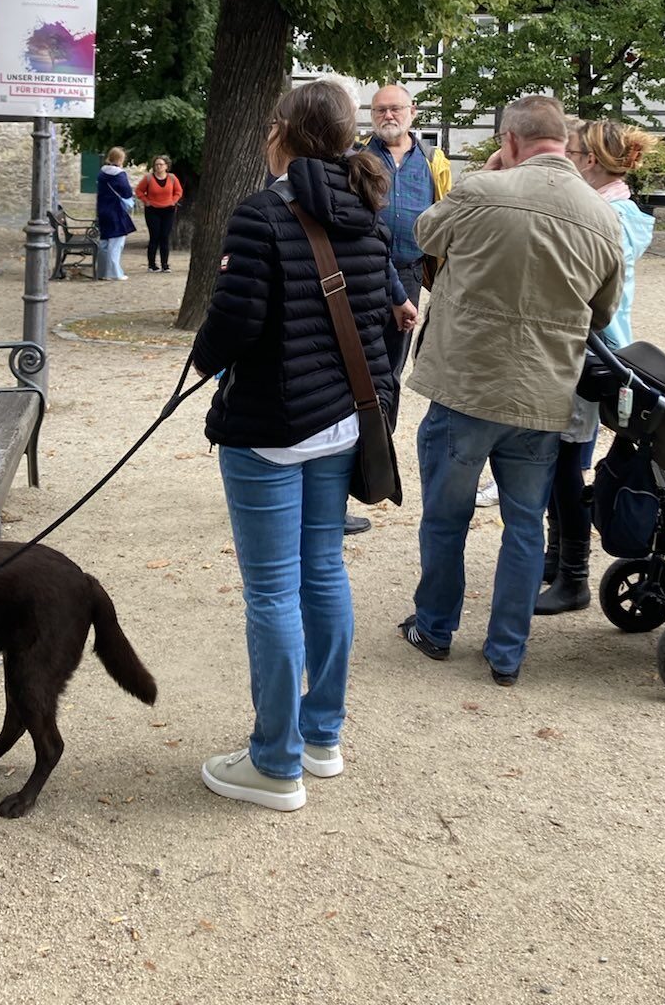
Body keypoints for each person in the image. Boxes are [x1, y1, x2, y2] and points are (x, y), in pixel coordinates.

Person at [192, 79, 394, 811]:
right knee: (323, 572)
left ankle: (276, 763)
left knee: (274, 590)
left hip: (273, 430)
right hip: (340, 420)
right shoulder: (365, 213)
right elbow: (370, 319)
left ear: (279, 131)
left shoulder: (260, 216)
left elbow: (235, 329)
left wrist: (206, 341)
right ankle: (321, 737)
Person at [398, 95, 623, 685]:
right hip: (543, 394)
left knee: (446, 516)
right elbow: (603, 312)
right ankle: (507, 652)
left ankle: (435, 626)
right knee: (525, 524)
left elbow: (424, 234)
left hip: (466, 385)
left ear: (511, 140)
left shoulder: (481, 192)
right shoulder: (602, 216)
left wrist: (490, 174)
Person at [534, 118, 656, 614]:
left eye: (573, 150)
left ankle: (574, 574)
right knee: (558, 458)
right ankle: (556, 553)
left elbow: (592, 288)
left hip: (593, 353)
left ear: (588, 160)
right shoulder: (609, 209)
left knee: (566, 463)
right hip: (585, 347)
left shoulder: (612, 216)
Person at [362, 84, 453, 429]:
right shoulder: (357, 158)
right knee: (357, 357)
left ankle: (382, 438)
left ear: (412, 112)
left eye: (395, 109)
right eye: (380, 110)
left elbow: (445, 215)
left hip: (411, 272)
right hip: (362, 272)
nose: (388, 116)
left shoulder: (433, 161)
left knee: (393, 363)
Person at [135, 155, 184, 272]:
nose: (158, 167)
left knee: (164, 237)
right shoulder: (148, 178)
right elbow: (139, 191)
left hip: (168, 210)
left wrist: (173, 201)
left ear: (166, 166)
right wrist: (146, 201)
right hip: (152, 210)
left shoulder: (172, 178)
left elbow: (178, 191)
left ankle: (165, 265)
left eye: (161, 164)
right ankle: (151, 265)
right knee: (154, 237)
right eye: (156, 164)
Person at [96, 147, 136, 280]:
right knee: (116, 242)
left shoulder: (102, 172)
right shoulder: (119, 174)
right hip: (115, 210)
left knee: (104, 242)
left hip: (103, 210)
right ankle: (114, 273)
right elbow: (126, 191)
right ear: (120, 159)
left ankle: (102, 271)